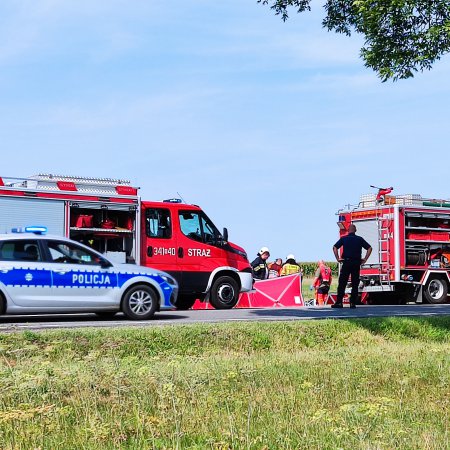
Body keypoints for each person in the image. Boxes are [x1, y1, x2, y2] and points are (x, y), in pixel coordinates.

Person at [332, 224, 372, 308]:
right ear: (355, 230)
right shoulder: (359, 239)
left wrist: (338, 258)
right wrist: (365, 259)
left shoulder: (344, 239)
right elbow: (369, 248)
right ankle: (352, 303)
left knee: (342, 282)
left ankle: (339, 302)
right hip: (356, 263)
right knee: (355, 283)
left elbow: (335, 247)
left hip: (346, 262)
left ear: (348, 230)